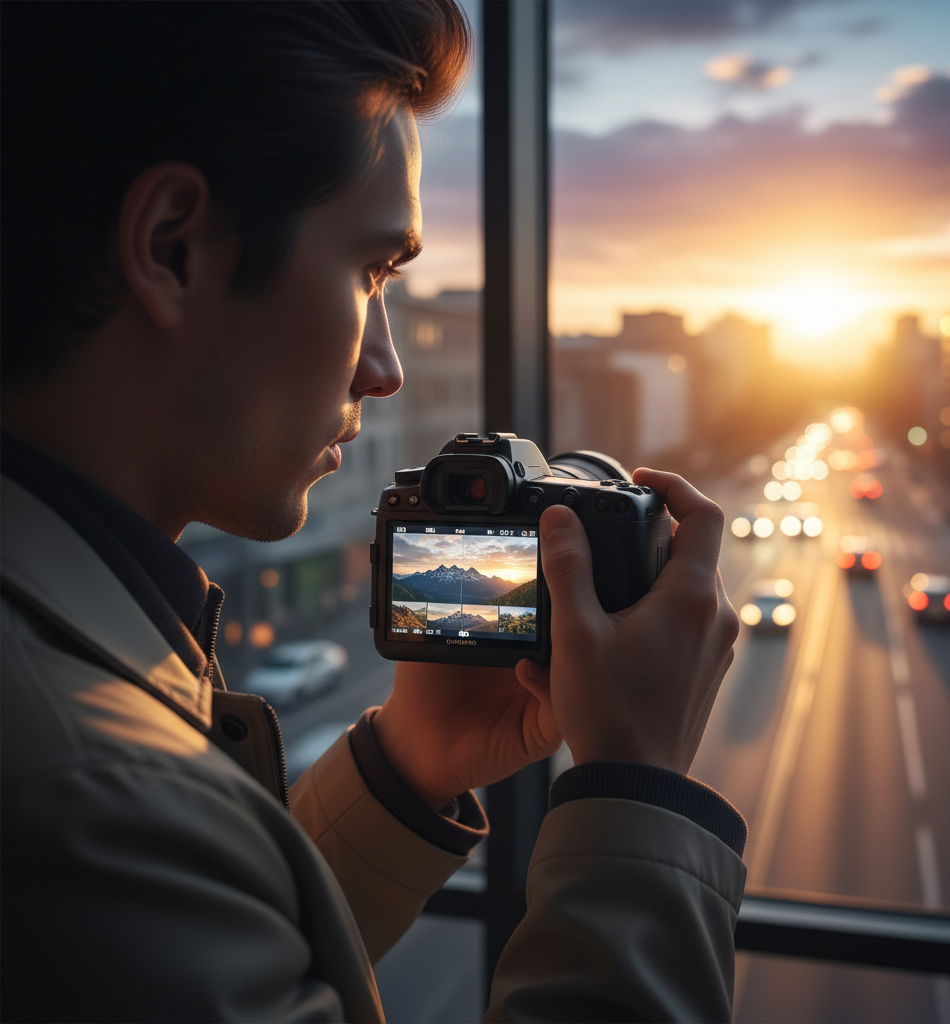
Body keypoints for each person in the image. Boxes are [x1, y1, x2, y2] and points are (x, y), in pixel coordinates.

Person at [0, 3, 744, 1020]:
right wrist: (639, 799)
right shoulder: (90, 796)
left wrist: (402, 771)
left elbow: (211, 953)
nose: (384, 368)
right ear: (171, 247)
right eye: (371, 270)